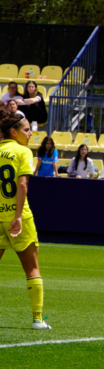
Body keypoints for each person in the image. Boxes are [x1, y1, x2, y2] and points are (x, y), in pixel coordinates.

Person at [0, 109, 51, 329]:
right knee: (32, 268)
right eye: (27, 130)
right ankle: (38, 319)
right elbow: (22, 185)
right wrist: (18, 216)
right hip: (18, 217)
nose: (30, 134)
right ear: (14, 132)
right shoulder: (23, 151)